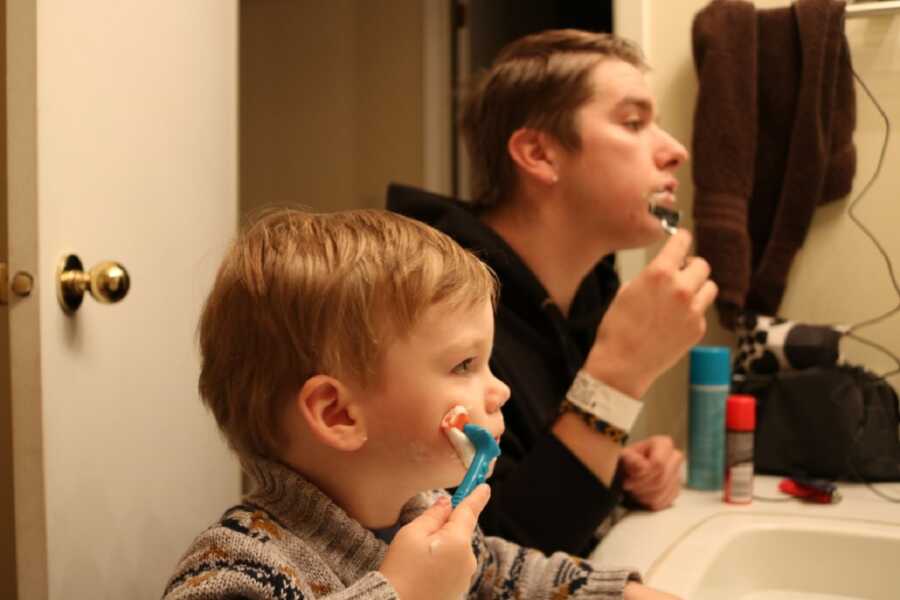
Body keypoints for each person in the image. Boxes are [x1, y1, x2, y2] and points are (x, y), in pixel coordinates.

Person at [162, 208, 682, 600]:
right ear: (338, 414)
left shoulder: (423, 513)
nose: (498, 390)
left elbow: (515, 577)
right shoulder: (237, 568)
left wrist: (622, 594)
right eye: (463, 366)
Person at [388, 29, 718, 557]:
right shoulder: (429, 298)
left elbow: (532, 475)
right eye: (633, 123)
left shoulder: (591, 294)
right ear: (539, 152)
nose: (674, 150)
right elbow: (483, 560)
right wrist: (618, 377)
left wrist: (617, 470)